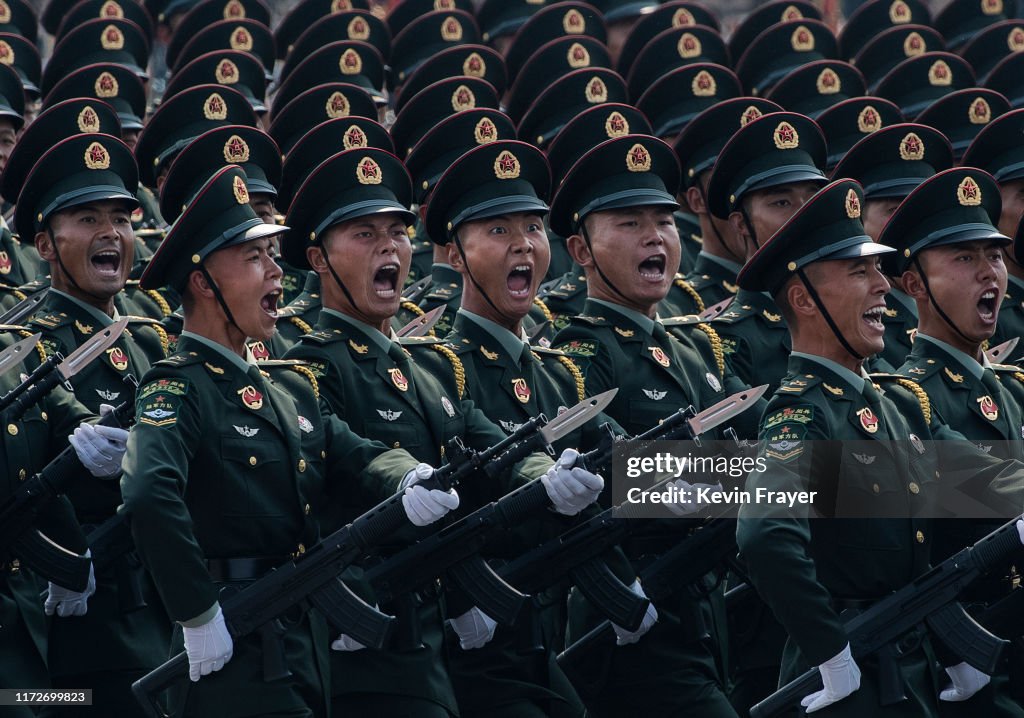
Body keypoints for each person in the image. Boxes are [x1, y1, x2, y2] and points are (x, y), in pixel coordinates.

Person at [120, 164, 460, 717]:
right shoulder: (179, 385)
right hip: (231, 645)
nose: (277, 272)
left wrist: (409, 477)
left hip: (300, 645)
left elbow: (353, 451)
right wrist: (197, 614)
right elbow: (146, 493)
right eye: (255, 259)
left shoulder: (287, 387)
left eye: (273, 255)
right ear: (204, 282)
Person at [734, 177, 1024, 717]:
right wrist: (830, 650)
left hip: (909, 666)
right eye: (858, 272)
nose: (882, 285)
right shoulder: (803, 413)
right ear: (804, 299)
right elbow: (765, 534)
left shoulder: (900, 404)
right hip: (847, 681)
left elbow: (984, 480)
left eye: (877, 269)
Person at [549, 133, 761, 718]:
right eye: (628, 222)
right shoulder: (578, 355)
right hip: (633, 617)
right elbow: (622, 473)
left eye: (664, 221)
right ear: (581, 250)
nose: (655, 236)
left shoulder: (697, 349)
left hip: (705, 611)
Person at [421, 138, 634, 718]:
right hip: (470, 640)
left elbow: (629, 459)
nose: (523, 245)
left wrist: (800, 480)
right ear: (456, 257)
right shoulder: (440, 368)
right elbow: (493, 457)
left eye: (533, 228)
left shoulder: (556, 372)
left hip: (539, 627)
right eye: (497, 231)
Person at [4, 132, 171, 717]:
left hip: (163, 610)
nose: (112, 233)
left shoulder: (155, 342)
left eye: (122, 218)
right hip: (77, 631)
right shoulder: (27, 349)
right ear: (46, 245)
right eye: (88, 217)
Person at [880, 167, 1024, 717]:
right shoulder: (905, 398)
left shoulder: (1013, 387)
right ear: (914, 285)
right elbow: (982, 486)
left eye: (994, 256)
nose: (989, 273)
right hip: (959, 656)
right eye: (964, 259)